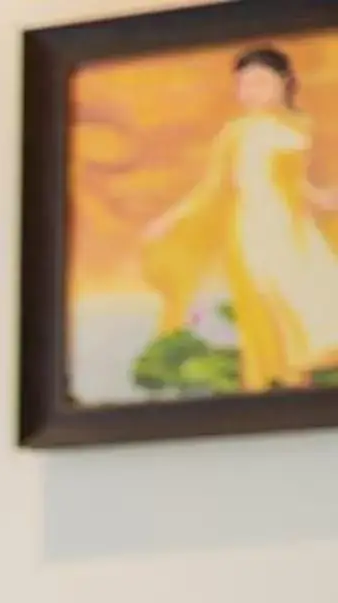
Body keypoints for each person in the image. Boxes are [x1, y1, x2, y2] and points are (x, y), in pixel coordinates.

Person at [141, 45, 338, 392]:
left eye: (261, 82)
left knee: (312, 297)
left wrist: (325, 199)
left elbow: (299, 185)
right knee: (263, 302)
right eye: (244, 84)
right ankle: (268, 380)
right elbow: (211, 187)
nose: (251, 92)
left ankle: (301, 380)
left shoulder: (302, 128)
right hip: (251, 231)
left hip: (295, 231)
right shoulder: (235, 133)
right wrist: (170, 219)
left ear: (286, 82)